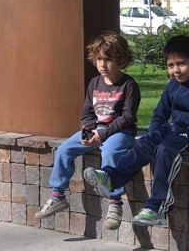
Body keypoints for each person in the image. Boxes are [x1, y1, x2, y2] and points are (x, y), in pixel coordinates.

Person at [83, 34, 189, 227]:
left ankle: (157, 208)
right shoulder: (174, 84)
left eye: (181, 64)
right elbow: (159, 114)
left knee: (165, 150)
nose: (175, 70)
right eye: (170, 65)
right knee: (145, 144)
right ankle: (110, 177)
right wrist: (155, 133)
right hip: (174, 130)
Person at [35, 31, 141, 230]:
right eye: (99, 59)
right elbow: (87, 112)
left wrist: (103, 134)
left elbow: (127, 118)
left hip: (120, 132)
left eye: (108, 59)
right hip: (96, 130)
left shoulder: (129, 85)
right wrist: (87, 133)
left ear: (121, 60)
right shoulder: (94, 83)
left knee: (110, 152)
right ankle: (58, 196)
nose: (102, 64)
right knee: (65, 149)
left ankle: (115, 203)